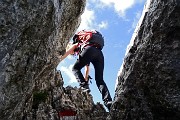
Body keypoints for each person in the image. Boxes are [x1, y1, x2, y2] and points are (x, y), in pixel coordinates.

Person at [71, 30, 112, 111]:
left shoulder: (77, 45)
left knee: (75, 68)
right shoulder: (87, 43)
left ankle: (83, 86)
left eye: (74, 54)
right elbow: (87, 68)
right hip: (99, 53)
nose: (74, 54)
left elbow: (68, 52)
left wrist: (85, 85)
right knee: (100, 80)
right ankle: (108, 101)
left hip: (89, 50)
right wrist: (86, 81)